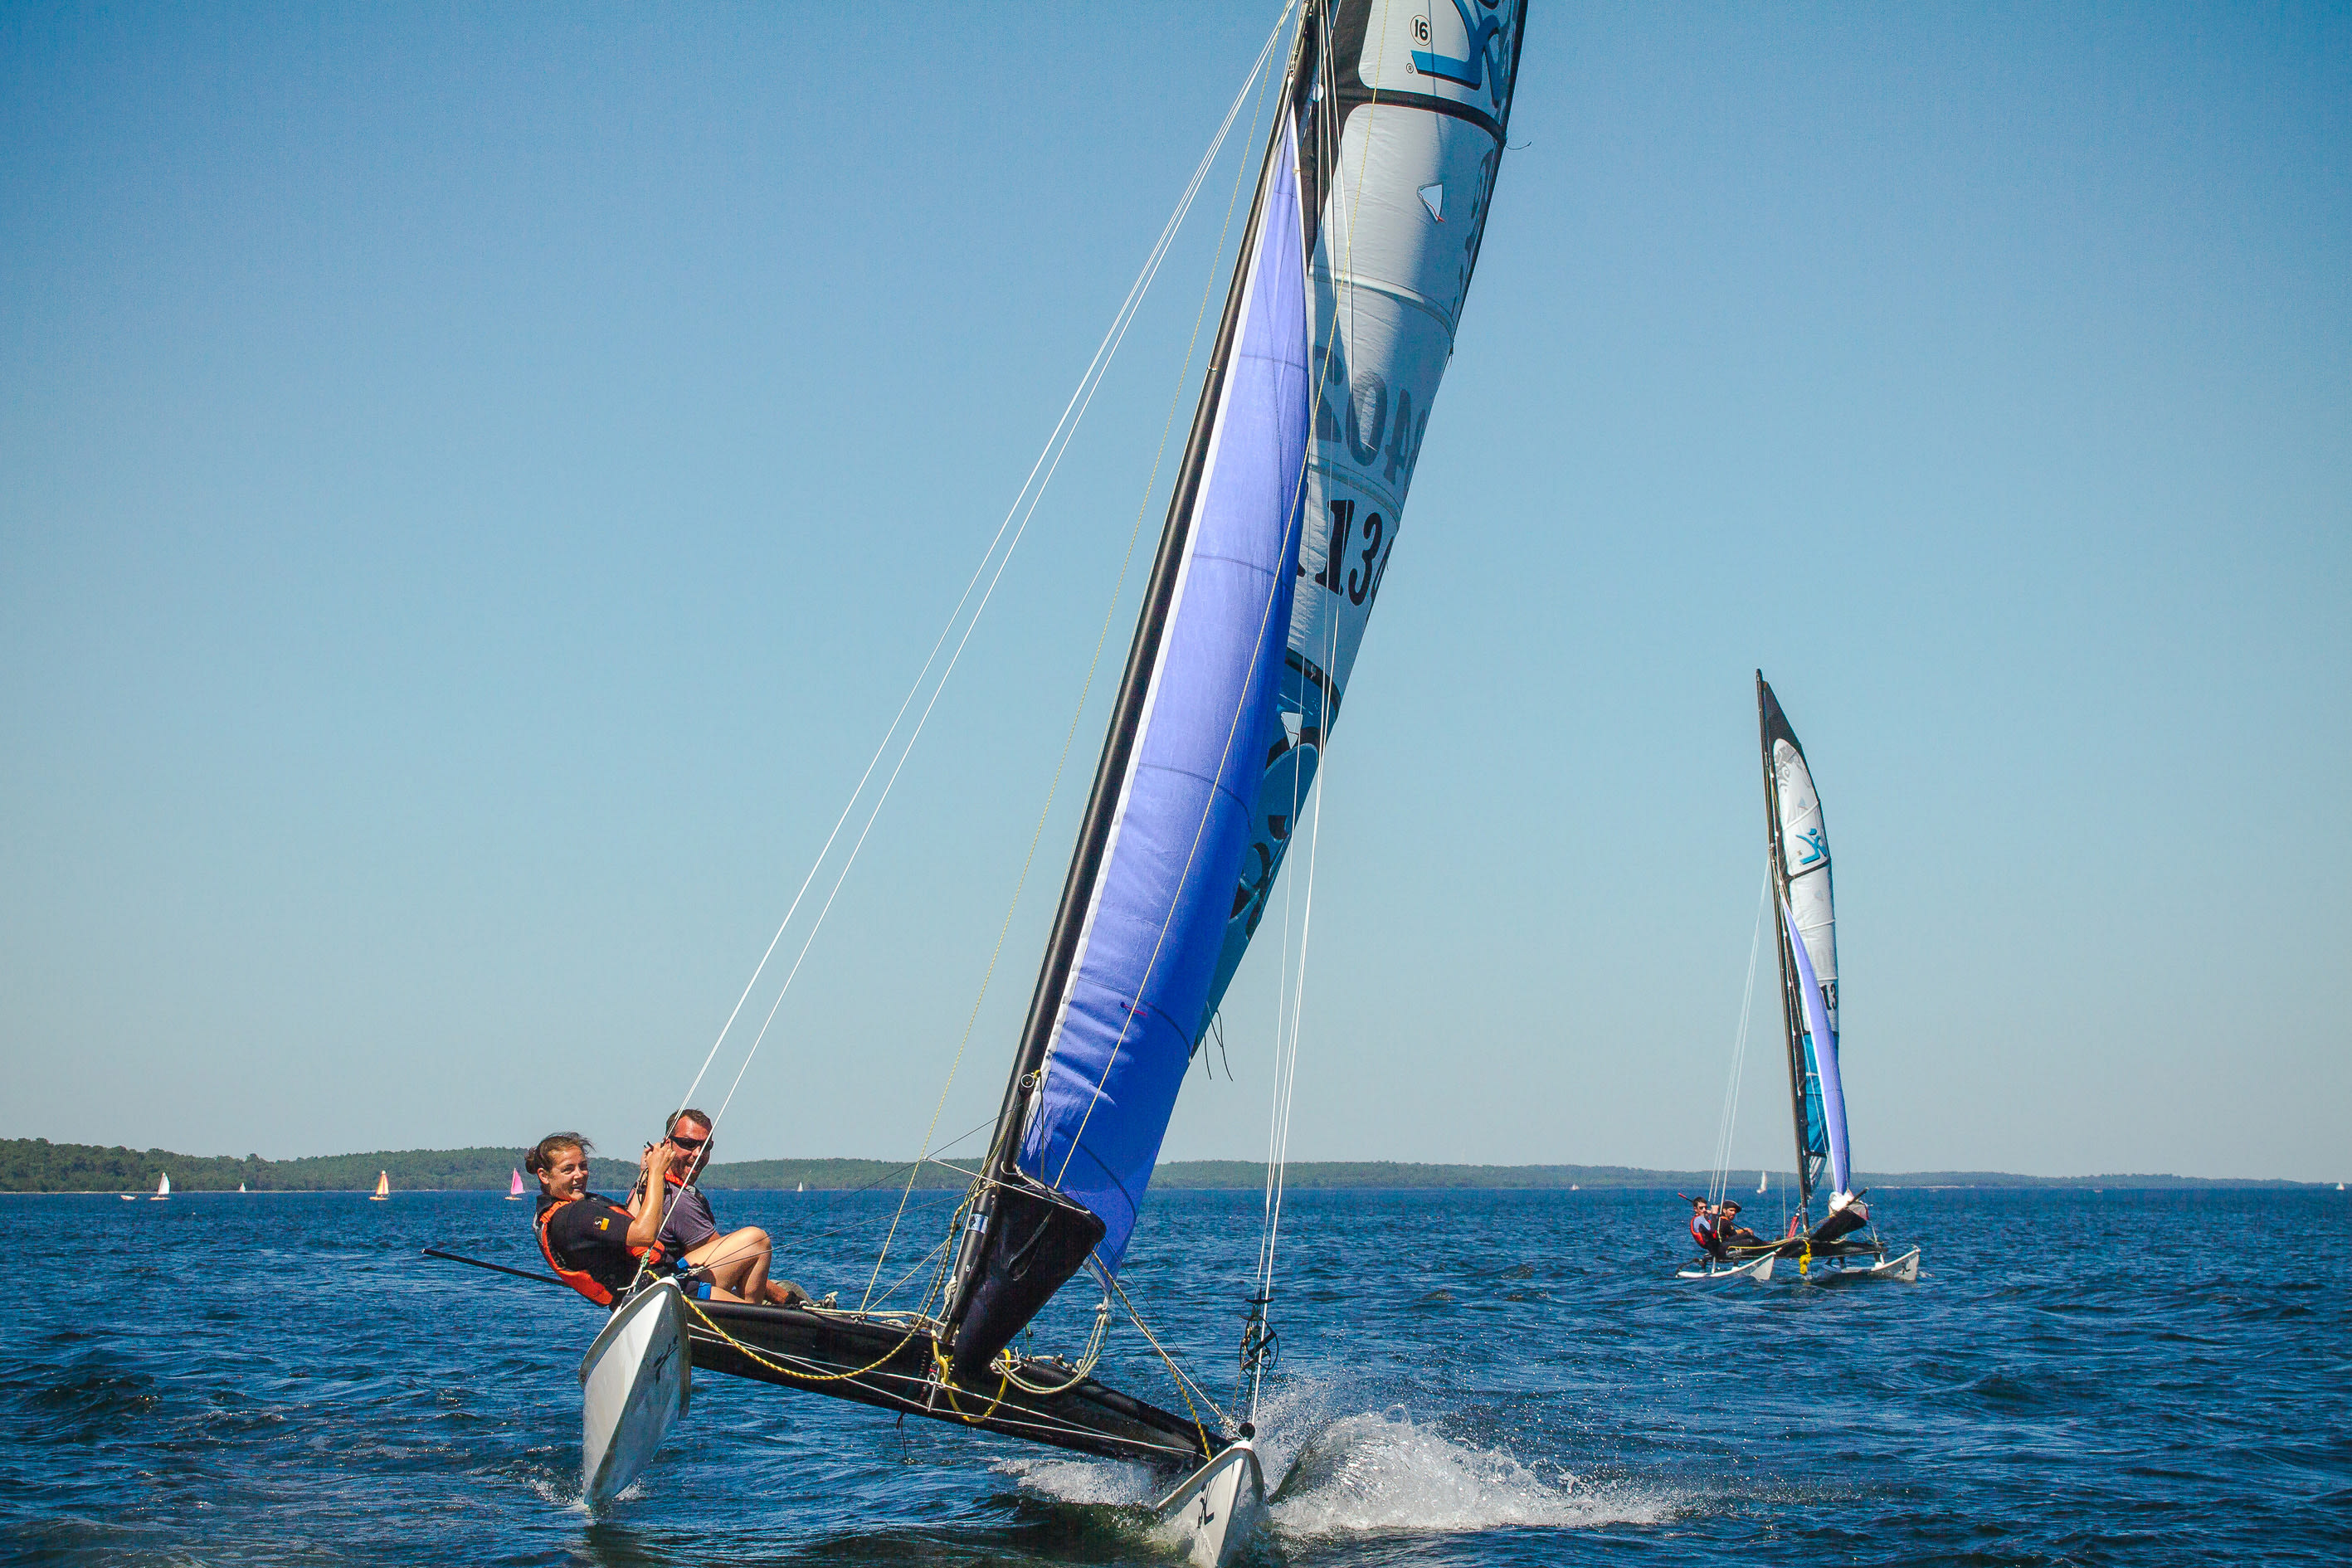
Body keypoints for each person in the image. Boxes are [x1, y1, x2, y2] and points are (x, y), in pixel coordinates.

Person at [528, 1132, 746, 1307]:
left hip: (665, 1278)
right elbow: (645, 1234)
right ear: (544, 1176)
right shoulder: (574, 1216)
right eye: (568, 1170)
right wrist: (657, 1174)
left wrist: (645, 1174)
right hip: (659, 1296)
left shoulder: (577, 1208)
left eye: (582, 1166)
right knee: (753, 1313)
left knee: (754, 1241)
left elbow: (630, 1224)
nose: (580, 1175)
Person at [649, 1109, 812, 1308]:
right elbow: (736, 1258)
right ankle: (751, 1323)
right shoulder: (677, 1200)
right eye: (689, 1144)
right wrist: (787, 1300)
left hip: (666, 1282)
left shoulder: (648, 1184)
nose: (698, 1154)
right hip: (669, 1291)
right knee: (756, 1242)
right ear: (668, 1144)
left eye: (706, 1146)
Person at [1687, 1195, 1726, 1260]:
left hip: (1714, 1245)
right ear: (1695, 1209)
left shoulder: (1702, 1219)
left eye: (1705, 1207)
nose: (1704, 1210)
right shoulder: (1699, 1219)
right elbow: (1713, 1231)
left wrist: (1707, 1217)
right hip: (1715, 1247)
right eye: (1701, 1208)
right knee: (1747, 1238)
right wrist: (1714, 1214)